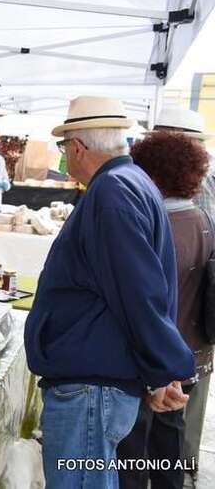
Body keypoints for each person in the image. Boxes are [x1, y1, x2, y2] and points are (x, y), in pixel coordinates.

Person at [23, 96, 195, 489]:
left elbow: (139, 292)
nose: (65, 158)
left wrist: (165, 369)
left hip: (90, 388)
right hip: (96, 383)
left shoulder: (113, 191)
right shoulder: (131, 183)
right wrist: (160, 369)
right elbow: (148, 287)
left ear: (79, 147)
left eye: (65, 148)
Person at [117, 131, 213, 489]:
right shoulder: (202, 219)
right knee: (167, 444)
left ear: (153, 173)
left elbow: (145, 302)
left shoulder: (159, 224)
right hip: (187, 352)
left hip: (155, 359)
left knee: (135, 447)